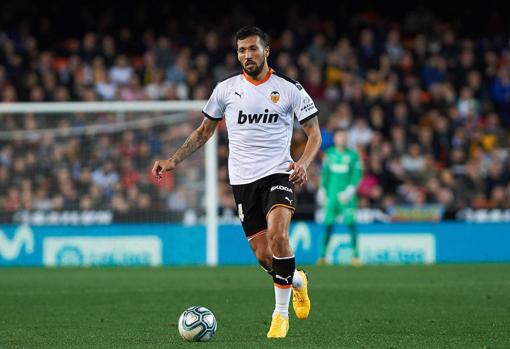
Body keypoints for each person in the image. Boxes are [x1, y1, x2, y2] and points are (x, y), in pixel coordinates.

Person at [152, 26, 321, 339]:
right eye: (242, 50)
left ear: (266, 51)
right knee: (263, 255)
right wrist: (173, 160)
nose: (247, 55)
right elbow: (204, 131)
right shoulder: (226, 89)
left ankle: (279, 316)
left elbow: (315, 133)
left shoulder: (289, 88)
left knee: (278, 235)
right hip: (242, 182)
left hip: (278, 173)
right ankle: (297, 280)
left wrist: (303, 163)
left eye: (253, 49)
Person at [318, 128, 362, 266]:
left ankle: (355, 256)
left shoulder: (353, 155)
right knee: (328, 224)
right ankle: (323, 256)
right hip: (331, 196)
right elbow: (325, 174)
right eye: (339, 136)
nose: (342, 139)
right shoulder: (329, 155)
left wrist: (351, 190)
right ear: (335, 139)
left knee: (351, 223)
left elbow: (357, 174)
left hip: (346, 196)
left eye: (344, 136)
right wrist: (322, 189)